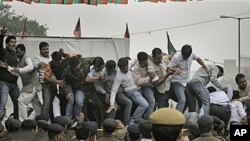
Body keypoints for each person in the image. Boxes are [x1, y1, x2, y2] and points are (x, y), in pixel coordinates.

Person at [168, 44, 209, 112]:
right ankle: (176, 119)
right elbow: (168, 69)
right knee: (182, 100)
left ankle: (189, 117)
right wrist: (175, 69)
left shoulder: (192, 55)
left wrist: (205, 67)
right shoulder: (176, 57)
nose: (185, 58)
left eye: (186, 57)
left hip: (186, 82)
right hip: (177, 82)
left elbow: (198, 59)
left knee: (191, 101)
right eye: (183, 57)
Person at [107, 57, 148, 124]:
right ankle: (132, 121)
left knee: (151, 100)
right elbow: (114, 90)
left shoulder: (130, 63)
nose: (126, 70)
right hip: (131, 91)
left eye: (126, 67)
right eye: (123, 69)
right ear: (119, 68)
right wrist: (112, 103)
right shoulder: (119, 76)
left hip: (140, 88)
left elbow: (137, 59)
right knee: (144, 104)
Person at [14, 44, 42, 121]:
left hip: (32, 86)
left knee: (21, 101)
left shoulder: (27, 58)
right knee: (37, 107)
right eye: (16, 52)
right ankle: (40, 124)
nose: (17, 54)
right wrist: (8, 68)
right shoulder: (20, 62)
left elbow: (30, 67)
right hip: (30, 86)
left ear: (24, 51)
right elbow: (16, 72)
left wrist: (19, 70)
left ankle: (23, 122)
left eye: (19, 52)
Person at [0, 27, 20, 121]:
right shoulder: (3, 52)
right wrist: (2, 35)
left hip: (14, 84)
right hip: (4, 83)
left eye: (15, 42)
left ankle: (16, 124)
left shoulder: (17, 54)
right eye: (12, 42)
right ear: (7, 44)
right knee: (2, 105)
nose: (14, 44)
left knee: (18, 103)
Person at [133, 52, 156, 119]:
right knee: (152, 101)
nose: (142, 64)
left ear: (146, 60)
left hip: (154, 85)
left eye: (144, 62)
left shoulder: (150, 63)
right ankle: (147, 117)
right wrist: (149, 77)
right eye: (141, 62)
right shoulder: (136, 68)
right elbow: (138, 82)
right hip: (144, 86)